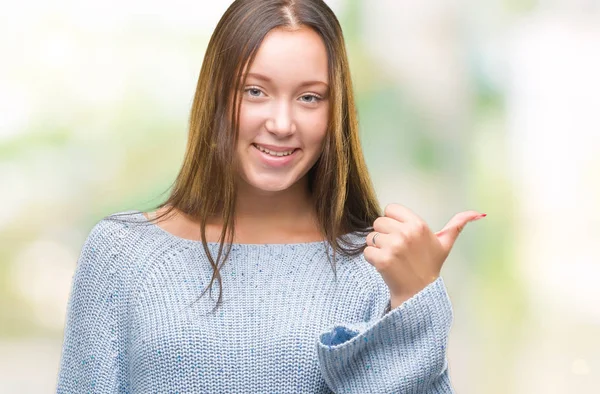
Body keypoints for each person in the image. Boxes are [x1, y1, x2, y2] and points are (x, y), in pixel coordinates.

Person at [56, 0, 486, 392]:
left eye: (309, 97)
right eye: (255, 91)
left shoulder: (376, 269)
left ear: (335, 113)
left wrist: (414, 298)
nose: (282, 123)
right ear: (217, 97)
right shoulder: (123, 254)